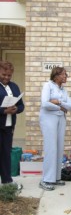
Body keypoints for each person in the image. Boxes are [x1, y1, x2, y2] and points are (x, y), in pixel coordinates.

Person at [39, 67, 71, 191]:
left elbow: (70, 105)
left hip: (60, 118)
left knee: (59, 147)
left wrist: (56, 102)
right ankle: (46, 179)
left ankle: (56, 177)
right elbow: (45, 103)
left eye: (66, 74)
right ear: (55, 75)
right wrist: (60, 105)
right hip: (49, 119)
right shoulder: (48, 86)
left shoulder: (64, 90)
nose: (65, 76)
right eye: (63, 74)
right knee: (51, 148)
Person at [0, 61, 24, 190]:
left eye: (9, 75)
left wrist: (16, 109)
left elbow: (21, 105)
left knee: (6, 154)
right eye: (4, 74)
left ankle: (7, 181)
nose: (6, 77)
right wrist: (3, 111)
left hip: (9, 126)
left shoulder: (14, 86)